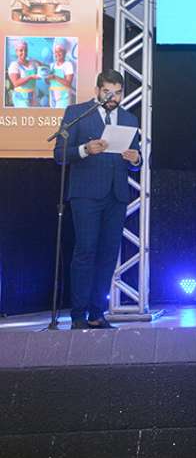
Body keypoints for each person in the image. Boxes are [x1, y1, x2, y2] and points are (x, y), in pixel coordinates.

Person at [54, 69, 141, 329]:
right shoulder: (77, 113)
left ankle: (97, 313)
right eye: (107, 92)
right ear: (97, 91)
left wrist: (136, 159)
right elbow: (59, 154)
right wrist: (85, 149)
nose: (112, 97)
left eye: (117, 93)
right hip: (86, 195)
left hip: (116, 196)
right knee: (85, 252)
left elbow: (136, 159)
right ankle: (78, 315)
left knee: (108, 255)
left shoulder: (129, 118)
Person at [7, 40, 41, 108]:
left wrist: (39, 64)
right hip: (21, 98)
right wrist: (30, 77)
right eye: (21, 50)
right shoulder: (14, 65)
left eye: (26, 50)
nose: (24, 52)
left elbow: (43, 69)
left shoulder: (32, 63)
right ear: (16, 52)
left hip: (33, 96)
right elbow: (16, 83)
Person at [48, 39, 75, 109]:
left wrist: (55, 77)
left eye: (60, 51)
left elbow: (68, 83)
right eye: (56, 52)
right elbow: (48, 82)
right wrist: (46, 77)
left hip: (64, 99)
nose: (57, 54)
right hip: (53, 98)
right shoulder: (52, 66)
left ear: (65, 52)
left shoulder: (68, 65)